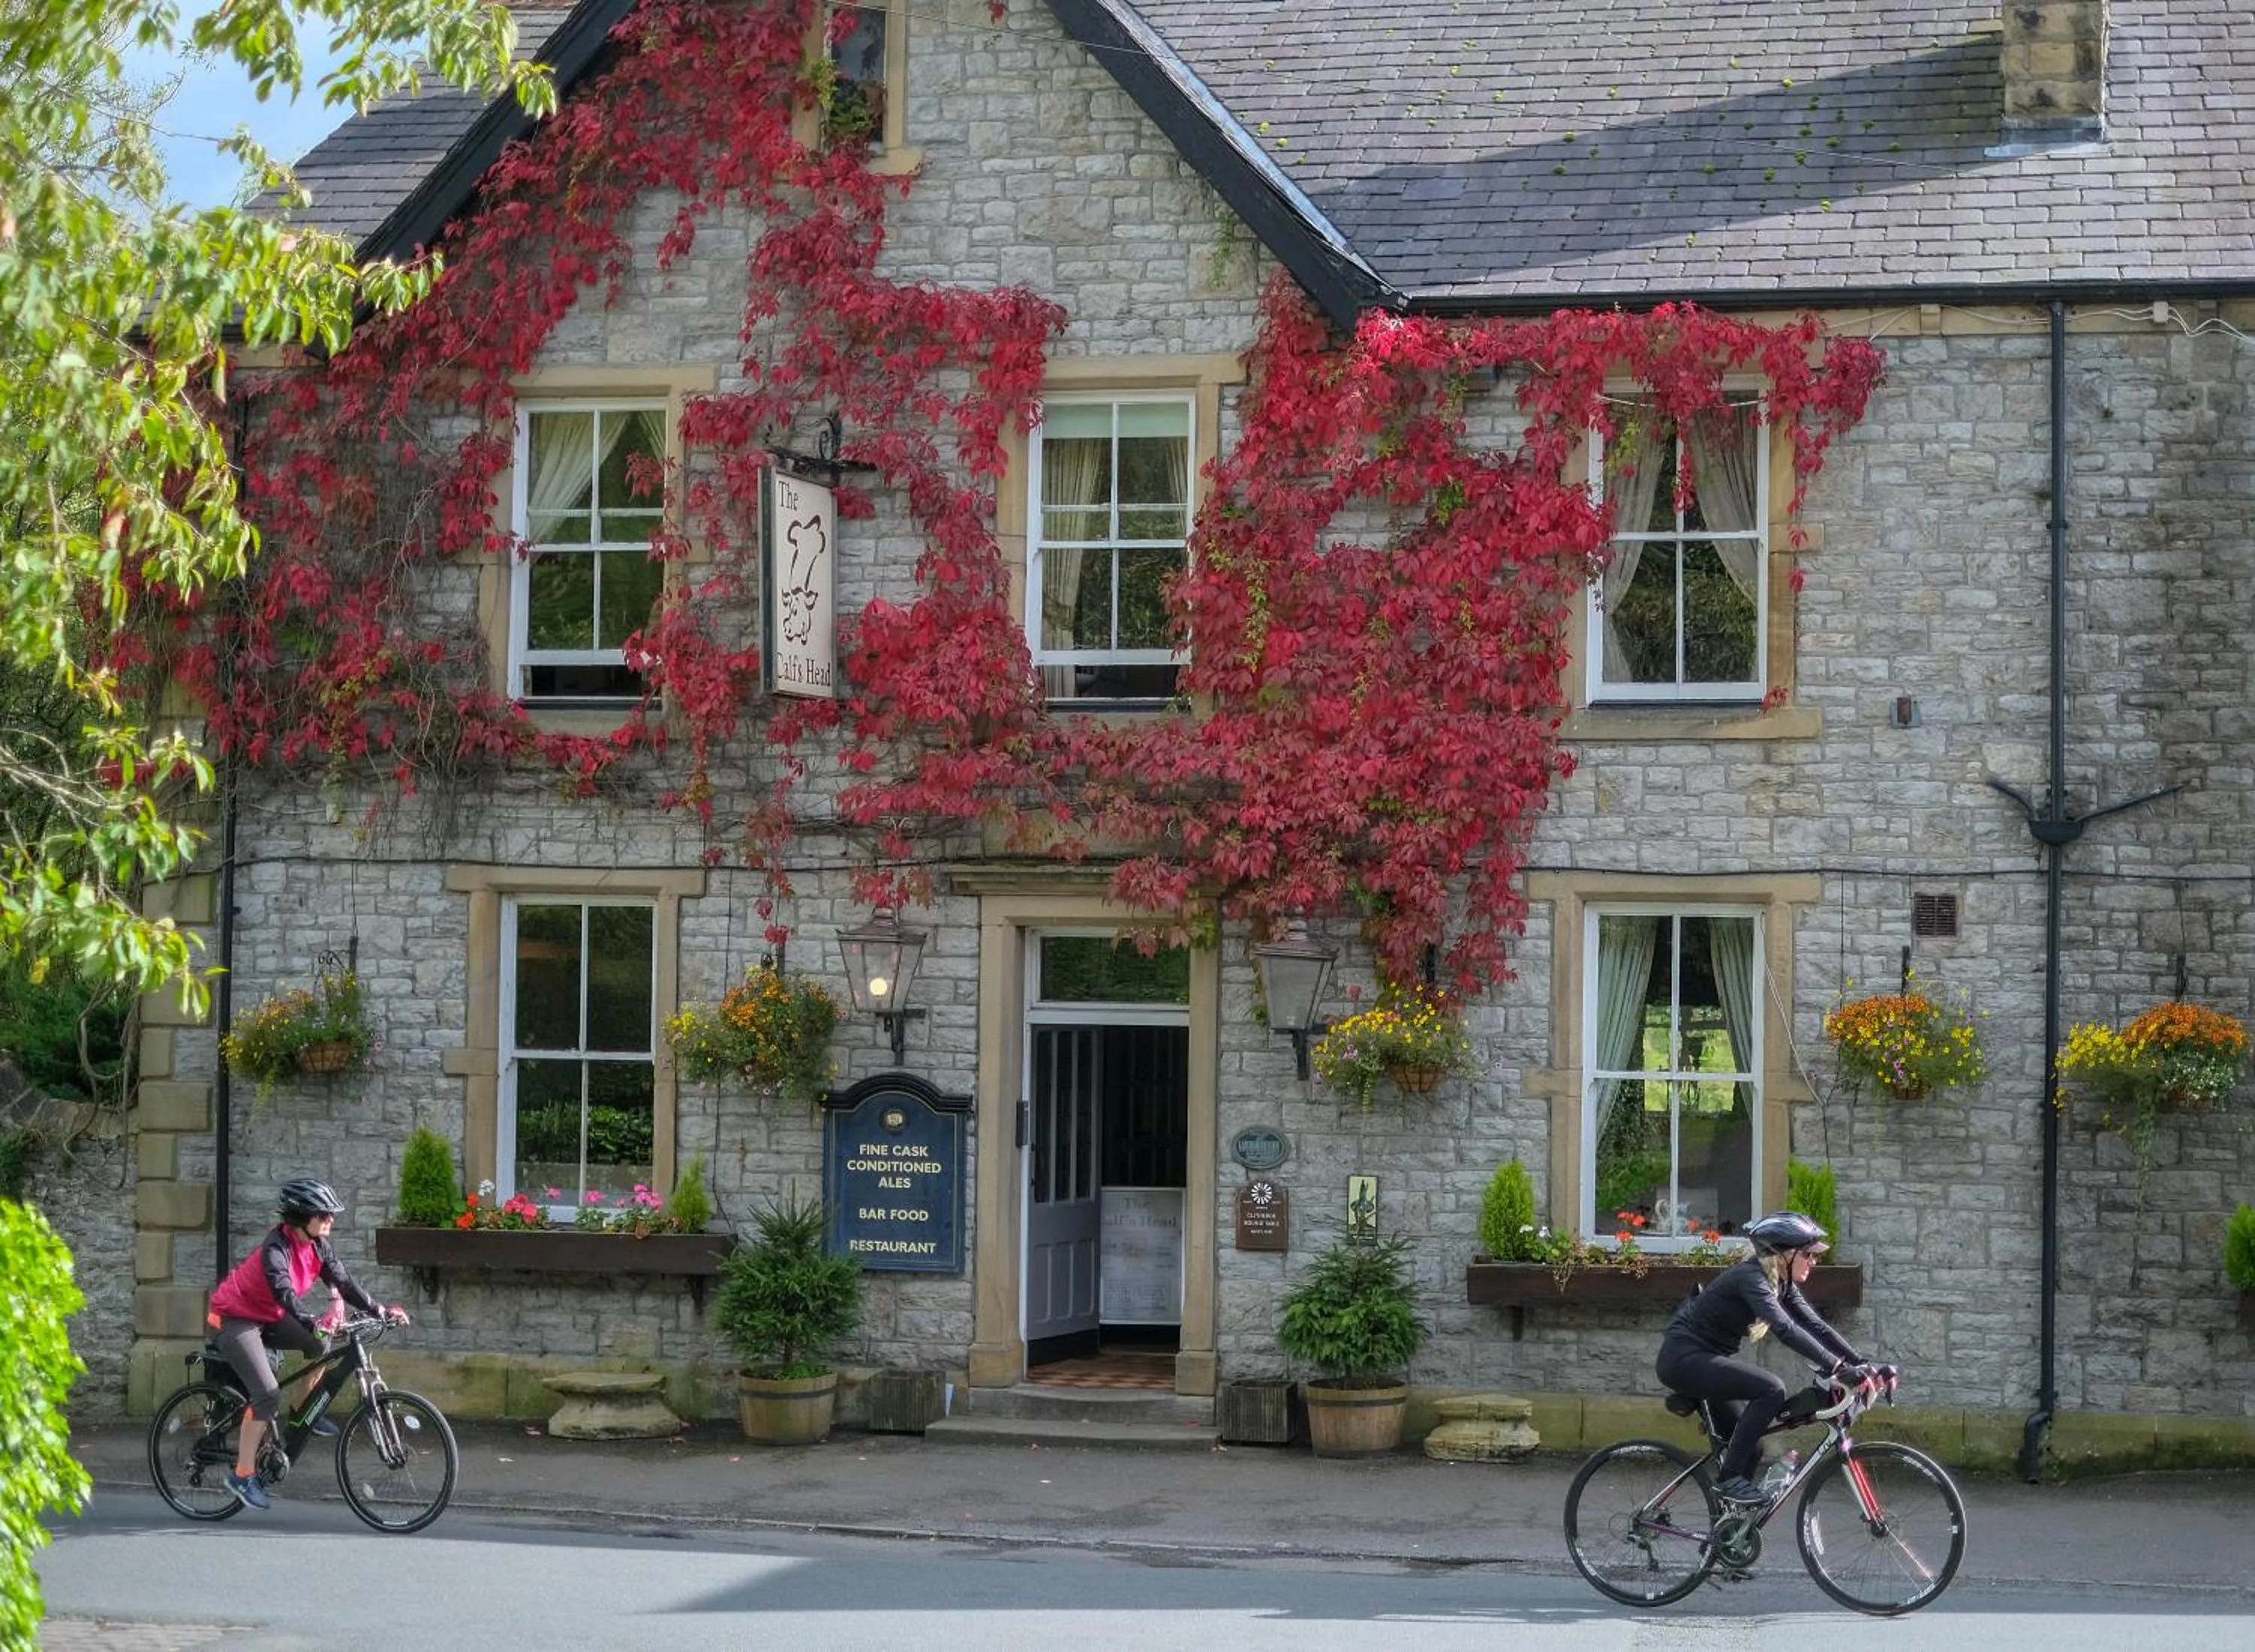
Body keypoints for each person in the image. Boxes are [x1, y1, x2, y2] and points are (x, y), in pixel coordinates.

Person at [1654, 1209, 1890, 1503]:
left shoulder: (1781, 1282)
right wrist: (1836, 1367)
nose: (1814, 1262)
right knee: (1771, 1388)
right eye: (1809, 1255)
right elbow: (1785, 1328)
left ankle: (1728, 1536)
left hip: (1707, 1360)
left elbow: (1815, 1326)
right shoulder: (1751, 1277)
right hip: (1683, 1360)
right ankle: (1728, 1480)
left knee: (1751, 1449)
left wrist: (1864, 1365)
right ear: (1784, 1253)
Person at [207, 1176, 407, 1511]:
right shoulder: (276, 1249)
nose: (331, 1220)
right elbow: (284, 1292)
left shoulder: (318, 1246)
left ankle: (301, 1411)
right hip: (235, 1318)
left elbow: (343, 1282)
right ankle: (242, 1474)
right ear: (302, 1216)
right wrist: (311, 1323)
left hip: (268, 1315)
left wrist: (379, 1309)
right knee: (267, 1394)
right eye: (324, 1214)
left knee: (319, 1347)